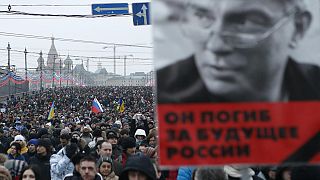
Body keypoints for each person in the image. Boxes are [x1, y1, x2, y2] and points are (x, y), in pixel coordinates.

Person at [156, 0, 319, 103]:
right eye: (202, 16)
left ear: (298, 28)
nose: (216, 46)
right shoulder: (161, 94)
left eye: (244, 22)